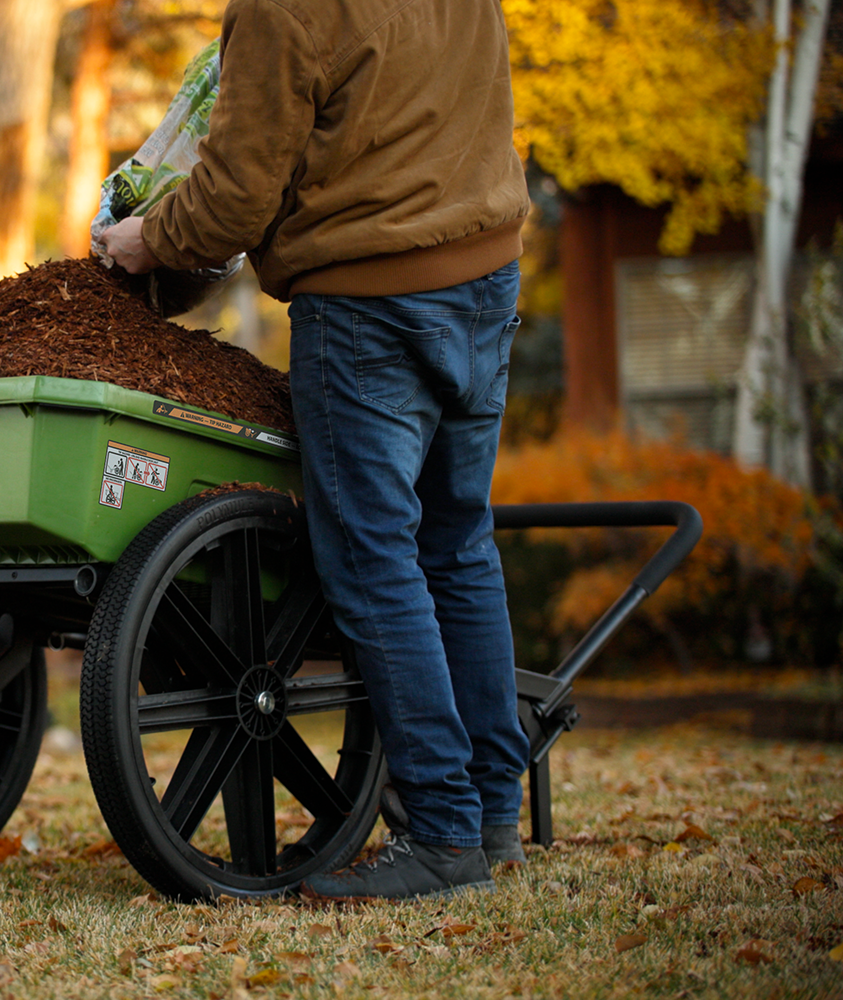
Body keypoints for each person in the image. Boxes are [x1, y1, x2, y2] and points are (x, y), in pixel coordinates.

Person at [98, 0, 531, 900]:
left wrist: (145, 238)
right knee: (457, 546)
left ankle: (446, 838)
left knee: (373, 561)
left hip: (370, 297)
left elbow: (236, 199)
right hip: (485, 274)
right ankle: (492, 820)